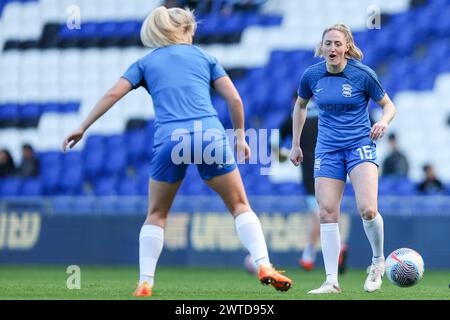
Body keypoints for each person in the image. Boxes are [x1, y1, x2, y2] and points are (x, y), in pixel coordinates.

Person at [63, 6, 292, 297]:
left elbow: (112, 94)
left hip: (171, 138)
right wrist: (241, 137)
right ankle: (264, 264)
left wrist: (82, 126)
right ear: (186, 29)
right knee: (239, 205)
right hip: (209, 135)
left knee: (157, 214)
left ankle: (145, 282)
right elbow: (234, 98)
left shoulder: (145, 62)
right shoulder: (205, 57)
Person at [289, 24, 396, 294]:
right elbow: (300, 106)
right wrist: (295, 144)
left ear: (347, 46)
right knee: (326, 213)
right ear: (322, 47)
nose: (333, 48)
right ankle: (331, 281)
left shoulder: (362, 74)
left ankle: (377, 262)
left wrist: (383, 121)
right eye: (328, 43)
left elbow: (388, 105)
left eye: (338, 43)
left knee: (368, 210)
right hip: (327, 150)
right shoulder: (311, 75)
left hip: (359, 145)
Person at [274, 92, 348, 274]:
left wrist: (282, 153)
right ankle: (308, 256)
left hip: (310, 170)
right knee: (322, 211)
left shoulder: (295, 115)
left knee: (318, 213)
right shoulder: (326, 111)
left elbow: (274, 139)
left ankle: (335, 248)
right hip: (332, 166)